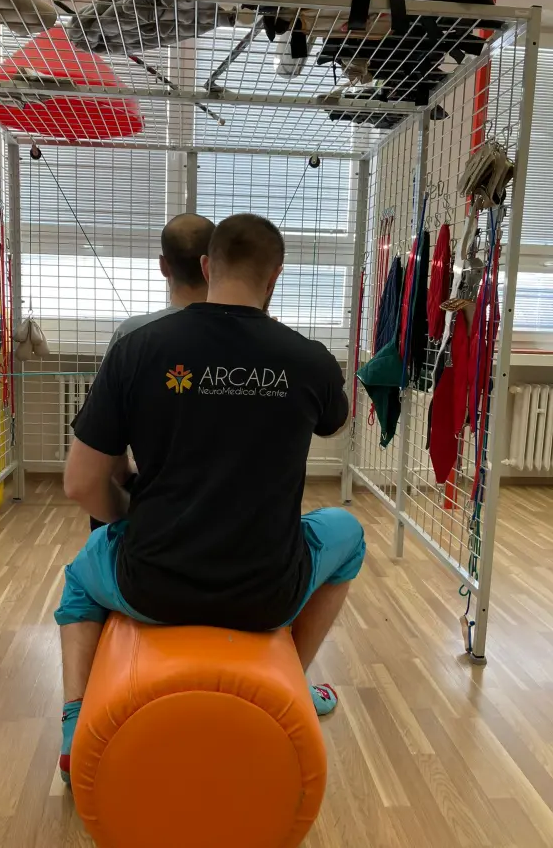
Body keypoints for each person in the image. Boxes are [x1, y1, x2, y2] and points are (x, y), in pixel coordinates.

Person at [55, 213, 366, 784]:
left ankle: (75, 727)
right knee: (349, 535)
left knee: (79, 580)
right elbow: (336, 424)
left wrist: (130, 523)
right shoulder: (310, 360)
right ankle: (292, 684)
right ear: (275, 276)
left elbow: (80, 483)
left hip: (152, 584)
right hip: (267, 593)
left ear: (205, 266)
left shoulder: (137, 348)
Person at [89, 212, 215, 533]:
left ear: (163, 265)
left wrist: (126, 478)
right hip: (233, 509)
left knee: (103, 494)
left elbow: (105, 436)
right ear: (214, 265)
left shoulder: (132, 335)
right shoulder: (252, 335)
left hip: (157, 502)